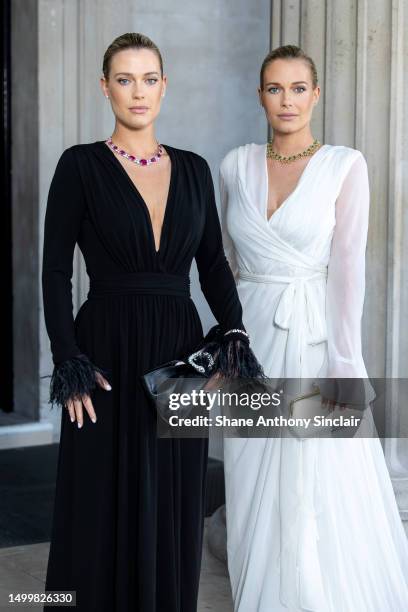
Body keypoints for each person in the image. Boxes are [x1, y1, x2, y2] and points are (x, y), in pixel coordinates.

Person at [42, 32, 261, 612]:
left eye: (148, 79)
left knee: (173, 493)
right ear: (105, 87)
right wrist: (69, 362)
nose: (137, 92)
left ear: (164, 86)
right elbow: (55, 272)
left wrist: (233, 337)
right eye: (124, 79)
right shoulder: (80, 165)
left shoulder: (193, 169)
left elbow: (212, 265)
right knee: (99, 496)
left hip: (179, 351)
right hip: (104, 350)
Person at [220, 44, 408, 611]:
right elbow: (227, 263)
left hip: (313, 340)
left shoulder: (346, 164)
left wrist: (344, 363)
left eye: (298, 88)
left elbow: (349, 267)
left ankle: (308, 596)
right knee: (250, 471)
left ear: (316, 94)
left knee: (311, 475)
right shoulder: (232, 165)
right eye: (275, 88)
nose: (287, 100)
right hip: (249, 337)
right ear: (259, 95)